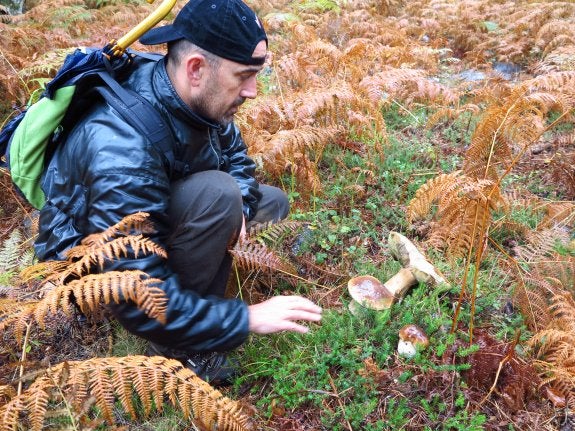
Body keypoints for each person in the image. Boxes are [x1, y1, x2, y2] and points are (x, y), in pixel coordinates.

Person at [34, 0, 322, 385]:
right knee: (219, 196)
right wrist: (247, 318)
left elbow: (236, 157)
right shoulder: (121, 146)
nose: (253, 91)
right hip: (98, 262)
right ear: (196, 68)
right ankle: (184, 353)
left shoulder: (196, 97)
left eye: (258, 74)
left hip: (153, 210)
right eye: (244, 75)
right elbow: (135, 294)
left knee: (270, 202)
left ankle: (206, 261)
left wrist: (239, 203)